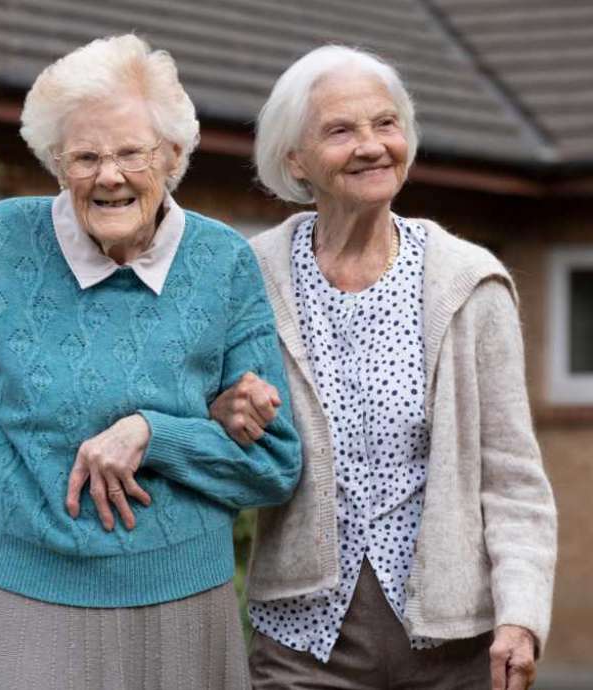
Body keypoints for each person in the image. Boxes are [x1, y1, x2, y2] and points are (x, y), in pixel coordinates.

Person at [0, 34, 302, 689]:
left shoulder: (223, 264)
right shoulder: (0, 245)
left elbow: (274, 465)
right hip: (26, 595)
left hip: (180, 604)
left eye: (132, 153)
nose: (109, 175)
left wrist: (154, 433)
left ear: (174, 156)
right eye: (85, 156)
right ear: (55, 163)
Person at [210, 45, 557, 690]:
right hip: (301, 639)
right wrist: (222, 411)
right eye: (341, 131)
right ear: (295, 160)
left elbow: (513, 478)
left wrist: (520, 617)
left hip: (453, 642)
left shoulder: (469, 282)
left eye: (386, 123)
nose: (372, 146)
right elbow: (203, 420)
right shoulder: (249, 277)